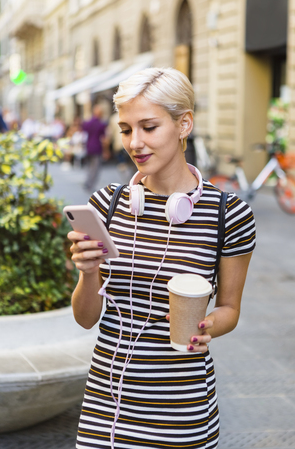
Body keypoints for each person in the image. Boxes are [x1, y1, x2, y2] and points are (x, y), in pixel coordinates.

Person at [67, 68, 256, 449]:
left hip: (181, 410)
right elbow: (86, 318)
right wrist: (88, 274)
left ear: (183, 123)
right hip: (107, 403)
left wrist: (206, 328)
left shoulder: (228, 214)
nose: (134, 142)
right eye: (125, 129)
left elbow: (230, 309)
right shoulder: (108, 204)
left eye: (149, 127)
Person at [82, 104, 107, 191]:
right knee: (95, 168)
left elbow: (83, 131)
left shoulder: (88, 123)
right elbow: (104, 138)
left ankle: (87, 182)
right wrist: (106, 151)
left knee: (89, 166)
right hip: (97, 148)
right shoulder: (101, 124)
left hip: (88, 147)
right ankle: (91, 184)